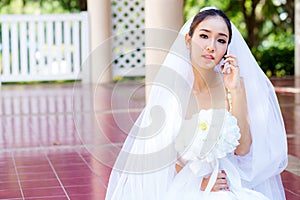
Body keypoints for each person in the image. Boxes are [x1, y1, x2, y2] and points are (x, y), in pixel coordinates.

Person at [105, 7, 288, 200]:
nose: (211, 46)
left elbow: (242, 149)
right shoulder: (173, 91)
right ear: (188, 40)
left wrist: (235, 90)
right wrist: (197, 182)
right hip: (186, 182)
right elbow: (162, 156)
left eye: (221, 40)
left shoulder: (234, 85)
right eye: (204, 36)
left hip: (228, 180)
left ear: (227, 48)